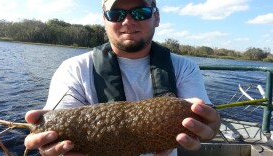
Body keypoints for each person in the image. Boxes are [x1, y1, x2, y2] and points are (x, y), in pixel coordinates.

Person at [24, 0, 221, 155]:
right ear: (104, 20)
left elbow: (202, 116)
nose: (128, 21)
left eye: (140, 12)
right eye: (116, 14)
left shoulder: (184, 67)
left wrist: (210, 123)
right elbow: (61, 125)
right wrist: (49, 141)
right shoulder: (73, 69)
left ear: (157, 17)